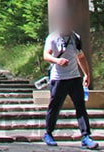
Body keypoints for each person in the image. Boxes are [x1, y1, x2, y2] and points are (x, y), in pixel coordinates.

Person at [42, 12, 98, 149]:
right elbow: (46, 55)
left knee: (80, 107)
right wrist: (57, 60)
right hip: (59, 78)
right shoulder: (53, 38)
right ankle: (48, 133)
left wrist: (86, 74)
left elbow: (81, 57)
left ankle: (86, 136)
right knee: (54, 107)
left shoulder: (75, 37)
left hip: (74, 78)